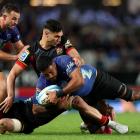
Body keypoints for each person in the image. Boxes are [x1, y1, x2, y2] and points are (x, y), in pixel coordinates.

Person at [0, 19, 84, 113]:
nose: (59, 39)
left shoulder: (62, 41)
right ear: (46, 34)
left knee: (87, 88)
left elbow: (75, 54)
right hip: (47, 89)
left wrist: (77, 58)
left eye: (60, 36)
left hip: (67, 85)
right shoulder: (30, 52)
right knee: (34, 110)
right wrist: (11, 96)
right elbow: (12, 74)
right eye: (56, 36)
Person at [35, 54, 140, 113]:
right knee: (98, 132)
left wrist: (58, 94)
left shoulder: (63, 61)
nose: (50, 76)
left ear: (53, 64)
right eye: (46, 75)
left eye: (51, 72)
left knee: (133, 96)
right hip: (86, 96)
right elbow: (36, 107)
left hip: (98, 80)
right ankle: (108, 112)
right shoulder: (42, 81)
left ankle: (108, 110)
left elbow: (79, 81)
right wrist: (55, 105)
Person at [0, 93, 128, 134]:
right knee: (3, 124)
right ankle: (93, 122)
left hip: (23, 107)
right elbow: (36, 110)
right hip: (26, 123)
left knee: (78, 100)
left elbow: (35, 109)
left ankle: (106, 122)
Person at [0, 3, 24, 103]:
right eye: (14, 19)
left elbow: (21, 48)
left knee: (4, 89)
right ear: (4, 17)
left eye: (17, 19)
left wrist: (29, 50)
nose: (16, 22)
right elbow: (17, 55)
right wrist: (15, 57)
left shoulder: (12, 29)